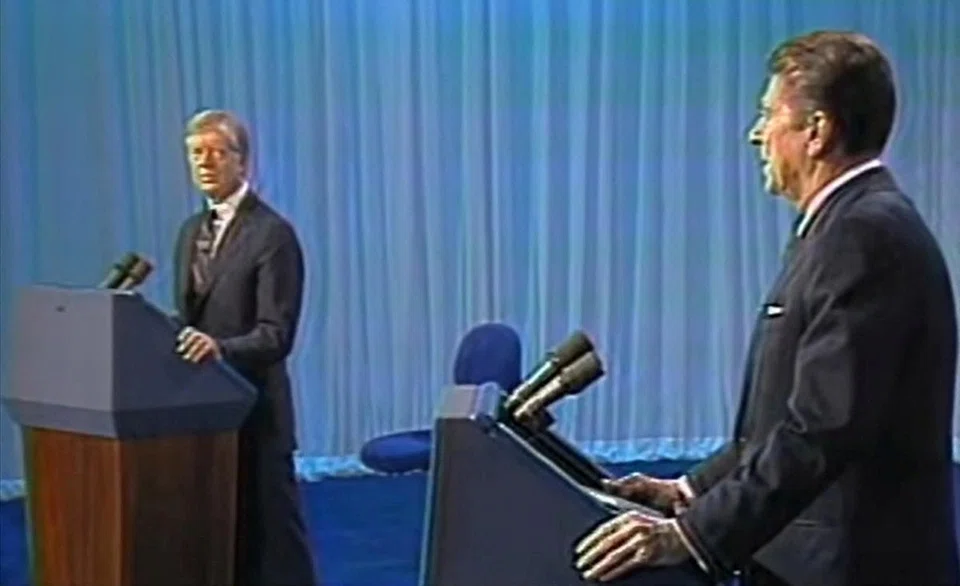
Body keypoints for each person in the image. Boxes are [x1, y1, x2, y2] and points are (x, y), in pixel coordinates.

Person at [574, 30, 959, 586]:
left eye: (768, 114)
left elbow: (823, 428)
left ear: (817, 131)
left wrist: (693, 534)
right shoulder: (842, 227)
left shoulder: (863, 235)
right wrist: (691, 492)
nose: (756, 134)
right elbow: (779, 421)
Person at [173, 109, 318, 585]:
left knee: (276, 543)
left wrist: (219, 348)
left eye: (217, 152)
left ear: (243, 161)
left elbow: (276, 334)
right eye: (197, 154)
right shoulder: (190, 232)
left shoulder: (272, 235)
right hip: (205, 414)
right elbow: (193, 317)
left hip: (257, 413)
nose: (206, 163)